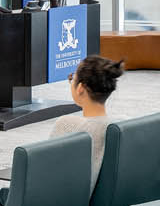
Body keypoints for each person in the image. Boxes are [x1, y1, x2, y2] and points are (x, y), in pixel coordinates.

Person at [49, 56, 126, 185]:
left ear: (80, 88)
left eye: (72, 78)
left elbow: (47, 170)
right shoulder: (121, 126)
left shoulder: (66, 125)